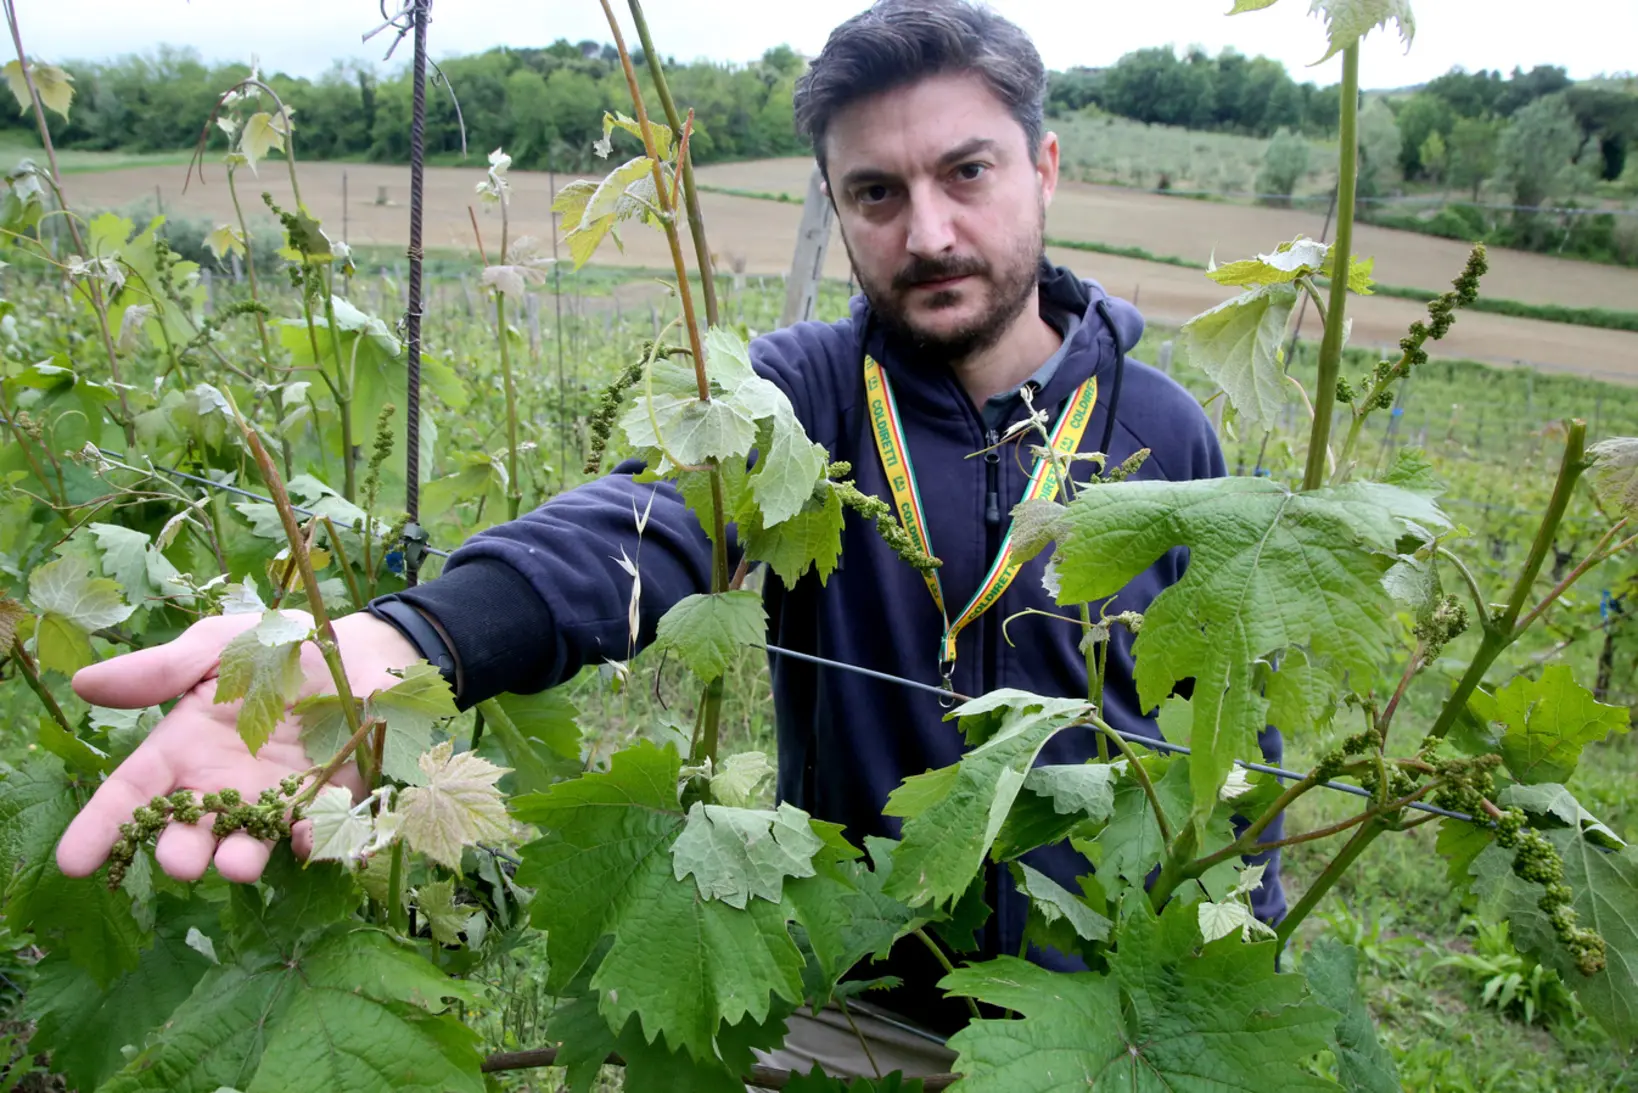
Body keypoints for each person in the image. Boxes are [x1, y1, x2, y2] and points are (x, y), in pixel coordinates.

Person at [55, 0, 1285, 1078]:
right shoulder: (799, 393)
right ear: (838, 206)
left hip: (1098, 1011)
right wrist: (411, 633)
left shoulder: (1164, 431)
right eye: (876, 192)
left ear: (1045, 166)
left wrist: (1244, 948)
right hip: (845, 1000)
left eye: (967, 173)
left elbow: (1231, 721)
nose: (928, 233)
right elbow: (637, 526)